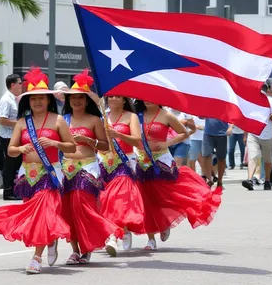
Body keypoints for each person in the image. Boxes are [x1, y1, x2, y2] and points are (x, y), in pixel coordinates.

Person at [0, 67, 76, 274]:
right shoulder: (22, 122)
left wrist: (55, 143)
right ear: (28, 101)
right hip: (28, 176)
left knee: (43, 212)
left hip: (50, 174)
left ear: (48, 100)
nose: (37, 102)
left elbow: (71, 146)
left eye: (42, 98)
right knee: (36, 216)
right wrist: (20, 148)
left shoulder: (58, 120)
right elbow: (10, 150)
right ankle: (50, 238)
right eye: (33, 98)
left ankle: (36, 258)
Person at [134, 100, 222, 251]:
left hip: (162, 161)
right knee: (146, 199)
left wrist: (168, 143)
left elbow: (184, 133)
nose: (147, 100)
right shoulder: (136, 116)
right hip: (142, 162)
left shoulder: (166, 115)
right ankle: (150, 239)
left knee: (164, 196)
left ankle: (164, 222)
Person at [59, 70, 119, 264]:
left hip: (87, 168)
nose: (76, 101)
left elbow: (105, 146)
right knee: (68, 209)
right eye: (73, 98)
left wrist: (88, 140)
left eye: (80, 98)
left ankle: (88, 247)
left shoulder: (94, 120)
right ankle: (75, 250)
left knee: (82, 206)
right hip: (66, 168)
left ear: (86, 101)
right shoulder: (61, 120)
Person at [100, 95, 145, 256]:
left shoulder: (130, 116)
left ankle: (113, 235)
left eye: (117, 96)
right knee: (106, 200)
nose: (113, 99)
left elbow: (137, 141)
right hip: (105, 163)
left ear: (124, 99)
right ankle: (122, 230)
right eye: (110, 96)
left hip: (124, 162)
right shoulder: (102, 116)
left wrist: (118, 135)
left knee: (117, 198)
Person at [0, 74, 23, 200]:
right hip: (7, 136)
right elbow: (2, 119)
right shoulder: (6, 100)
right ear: (12, 85)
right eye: (20, 83)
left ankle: (14, 190)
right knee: (10, 164)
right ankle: (8, 192)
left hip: (14, 136)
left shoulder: (15, 99)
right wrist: (19, 124)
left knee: (16, 164)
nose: (21, 85)